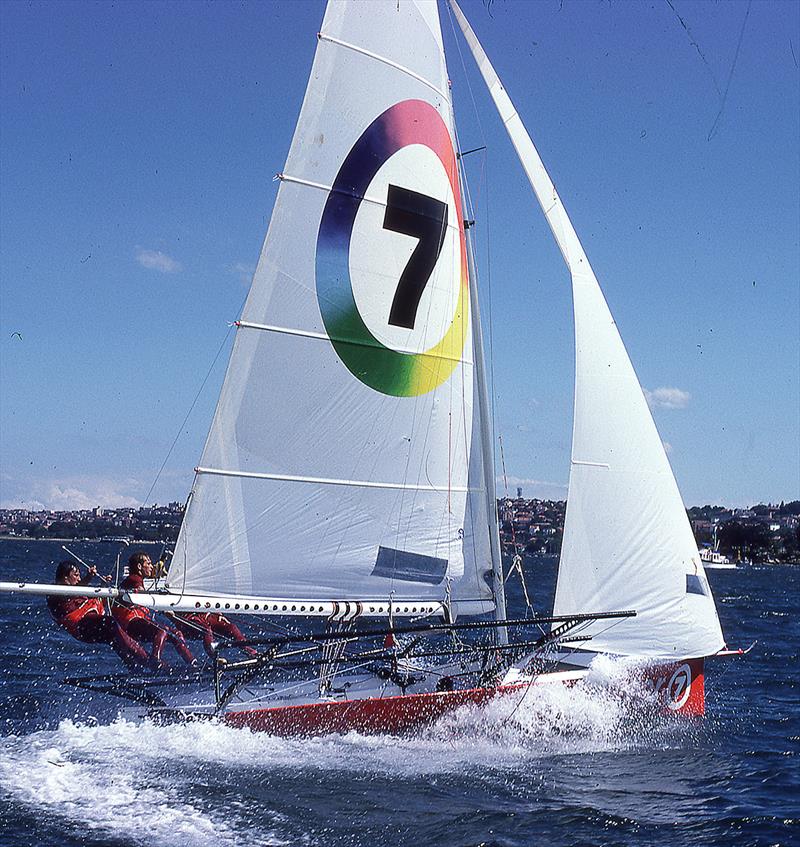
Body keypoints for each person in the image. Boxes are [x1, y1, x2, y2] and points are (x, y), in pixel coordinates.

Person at [47, 560, 149, 668]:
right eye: (76, 575)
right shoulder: (54, 593)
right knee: (109, 622)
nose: (79, 579)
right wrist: (88, 577)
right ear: (65, 578)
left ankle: (135, 667)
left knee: (112, 637)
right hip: (81, 628)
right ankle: (147, 660)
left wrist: (103, 585)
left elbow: (89, 596)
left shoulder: (76, 590)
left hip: (91, 625)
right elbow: (71, 592)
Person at [113, 552, 197, 669]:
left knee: (176, 634)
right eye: (148, 563)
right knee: (162, 630)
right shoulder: (133, 579)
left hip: (136, 622)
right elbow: (141, 593)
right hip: (131, 624)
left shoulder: (136, 580)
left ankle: (192, 662)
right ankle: (155, 661)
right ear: (139, 567)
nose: (151, 566)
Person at [168, 611, 258, 659]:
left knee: (231, 627)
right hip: (187, 618)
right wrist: (168, 612)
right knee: (206, 630)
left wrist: (217, 612)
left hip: (206, 615)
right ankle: (214, 657)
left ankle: (250, 651)